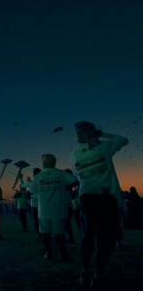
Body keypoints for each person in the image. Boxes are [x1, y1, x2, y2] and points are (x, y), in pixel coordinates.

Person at [71, 121, 128, 289]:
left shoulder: (74, 155)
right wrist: (102, 134)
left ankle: (85, 271)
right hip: (106, 197)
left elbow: (78, 174)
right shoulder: (104, 148)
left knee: (87, 236)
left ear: (79, 135)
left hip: (87, 197)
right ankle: (99, 275)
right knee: (104, 239)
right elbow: (123, 139)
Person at [31, 154, 77, 261]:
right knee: (60, 232)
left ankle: (49, 253)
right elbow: (75, 180)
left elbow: (32, 190)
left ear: (44, 163)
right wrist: (68, 187)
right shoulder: (62, 173)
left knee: (45, 232)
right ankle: (62, 253)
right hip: (59, 208)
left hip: (44, 210)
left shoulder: (38, 176)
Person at [20, 168, 42, 239]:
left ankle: (40, 236)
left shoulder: (32, 182)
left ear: (34, 174)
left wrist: (21, 178)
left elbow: (22, 186)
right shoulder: (43, 181)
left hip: (35, 205)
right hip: (44, 204)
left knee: (36, 221)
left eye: (33, 173)